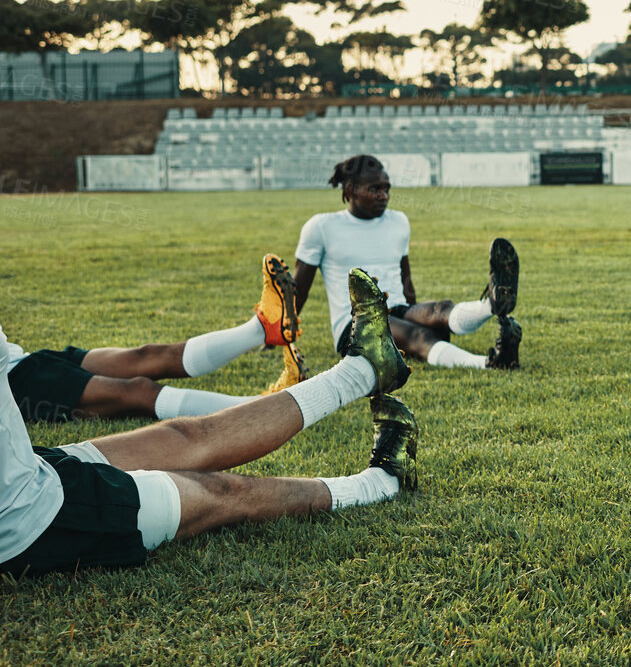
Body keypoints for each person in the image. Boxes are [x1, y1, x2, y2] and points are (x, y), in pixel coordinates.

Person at [1, 269, 418, 578]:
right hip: (28, 516)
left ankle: (366, 369)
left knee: (184, 433)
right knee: (222, 492)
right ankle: (379, 484)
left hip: (33, 467)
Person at [7, 254, 307, 424]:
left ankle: (264, 328)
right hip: (10, 384)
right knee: (139, 392)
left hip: (20, 359)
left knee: (146, 355)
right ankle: (266, 407)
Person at [291, 155, 521, 370]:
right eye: (375, 189)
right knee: (417, 336)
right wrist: (280, 335)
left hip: (398, 309)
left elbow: (405, 278)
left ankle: (492, 304)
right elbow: (299, 290)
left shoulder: (398, 221)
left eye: (386, 188)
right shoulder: (321, 227)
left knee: (440, 309)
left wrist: (423, 315)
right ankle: (489, 363)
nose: (384, 196)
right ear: (351, 190)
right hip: (355, 324)